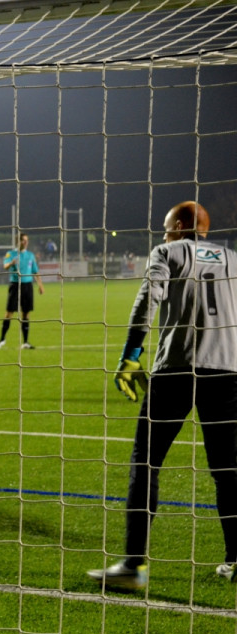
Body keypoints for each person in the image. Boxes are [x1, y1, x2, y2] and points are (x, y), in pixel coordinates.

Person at [89, 201, 237, 590]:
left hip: (176, 368)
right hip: (227, 372)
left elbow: (146, 301)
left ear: (183, 225)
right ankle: (235, 558)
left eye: (167, 225)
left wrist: (130, 356)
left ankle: (133, 566)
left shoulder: (168, 252)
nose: (164, 232)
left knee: (147, 461)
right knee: (227, 470)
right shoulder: (234, 259)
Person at [0, 233, 45, 349]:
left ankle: (26, 342)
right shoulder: (11, 254)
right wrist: (11, 263)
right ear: (18, 241)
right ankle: (2, 340)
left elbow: (35, 272)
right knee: (9, 313)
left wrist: (40, 285)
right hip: (15, 285)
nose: (25, 242)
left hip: (27, 285)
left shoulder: (30, 255)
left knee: (26, 313)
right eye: (23, 240)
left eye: (27, 240)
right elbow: (5, 266)